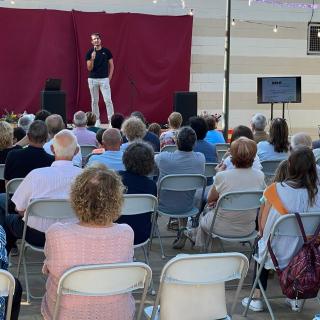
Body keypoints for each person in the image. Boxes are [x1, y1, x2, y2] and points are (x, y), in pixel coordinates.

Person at [41, 165, 134, 320]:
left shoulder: (57, 233)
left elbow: (49, 269)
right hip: (117, 314)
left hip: (66, 314)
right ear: (117, 200)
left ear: (76, 197)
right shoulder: (126, 233)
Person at [242, 146, 320, 312]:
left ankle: (257, 298)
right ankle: (295, 298)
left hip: (276, 254)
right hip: (307, 256)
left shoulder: (274, 190)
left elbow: (262, 229)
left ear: (290, 165)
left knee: (260, 245)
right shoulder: (317, 193)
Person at [4, 130, 81, 254]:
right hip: (73, 234)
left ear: (52, 148)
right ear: (77, 151)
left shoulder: (36, 175)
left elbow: (19, 208)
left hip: (37, 236)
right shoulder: (85, 177)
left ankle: (6, 261)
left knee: (7, 219)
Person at [189, 137, 265, 248]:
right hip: (248, 227)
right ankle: (199, 237)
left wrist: (218, 174)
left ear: (232, 156)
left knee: (205, 213)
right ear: (254, 156)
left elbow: (210, 199)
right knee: (212, 210)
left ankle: (198, 239)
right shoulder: (260, 176)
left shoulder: (223, 176)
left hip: (220, 226)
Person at [155, 126, 205, 249]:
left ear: (176, 142)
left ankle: (153, 230)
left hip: (162, 205)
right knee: (184, 191)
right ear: (194, 144)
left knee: (165, 189)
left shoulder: (164, 158)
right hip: (189, 205)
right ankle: (182, 229)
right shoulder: (200, 158)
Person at [118, 141, 157, 245]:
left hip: (115, 234)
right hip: (141, 234)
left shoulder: (115, 178)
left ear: (125, 159)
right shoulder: (151, 185)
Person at [86, 32, 114, 125]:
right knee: (94, 100)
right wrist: (92, 59)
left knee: (108, 100)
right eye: (94, 39)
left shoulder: (106, 51)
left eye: (97, 38)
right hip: (93, 79)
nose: (96, 40)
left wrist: (109, 77)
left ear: (100, 40)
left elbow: (112, 65)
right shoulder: (90, 52)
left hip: (104, 79)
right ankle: (96, 120)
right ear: (92, 42)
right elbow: (89, 68)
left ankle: (111, 120)